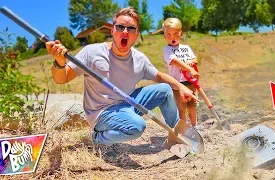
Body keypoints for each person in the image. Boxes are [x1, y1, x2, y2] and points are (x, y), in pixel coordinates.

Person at [45, 7, 198, 146]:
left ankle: (176, 135)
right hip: (103, 113)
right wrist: (59, 63)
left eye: (131, 28)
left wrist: (182, 87)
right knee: (137, 126)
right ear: (112, 30)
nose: (125, 31)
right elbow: (61, 79)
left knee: (165, 90)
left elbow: (159, 76)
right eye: (120, 27)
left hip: (128, 102)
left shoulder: (139, 59)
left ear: (136, 35)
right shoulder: (91, 52)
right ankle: (97, 139)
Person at [162, 18, 201, 128]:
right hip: (177, 85)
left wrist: (191, 63)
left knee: (192, 106)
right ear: (165, 36)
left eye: (175, 33)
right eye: (168, 34)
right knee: (181, 108)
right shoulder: (167, 50)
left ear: (181, 33)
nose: (172, 37)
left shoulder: (186, 48)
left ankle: (194, 126)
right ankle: (184, 129)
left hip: (190, 82)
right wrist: (189, 69)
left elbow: (195, 60)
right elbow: (174, 61)